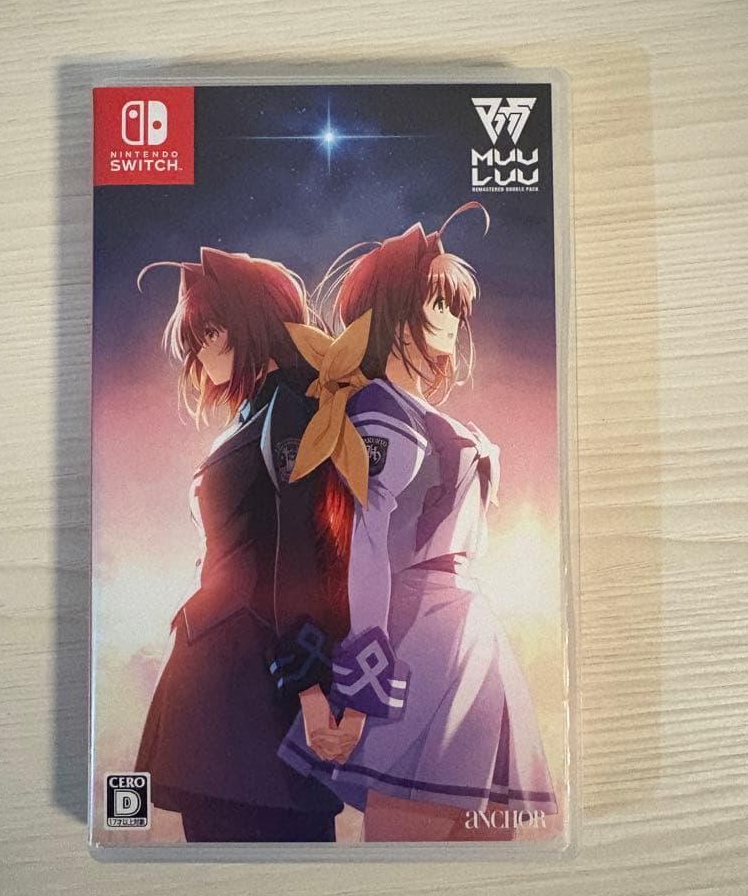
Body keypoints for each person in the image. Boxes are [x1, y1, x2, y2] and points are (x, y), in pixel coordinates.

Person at [279, 203, 558, 841]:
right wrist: (361, 694)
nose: (454, 320)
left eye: (457, 307)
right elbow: (366, 550)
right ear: (395, 313)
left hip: (466, 636)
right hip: (416, 642)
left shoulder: (408, 412)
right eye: (439, 303)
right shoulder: (382, 414)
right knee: (414, 831)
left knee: (483, 835)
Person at [134, 246, 348, 842]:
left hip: (256, 685)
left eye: (211, 331)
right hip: (225, 683)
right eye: (195, 337)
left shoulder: (291, 408)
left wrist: (310, 687)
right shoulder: (257, 412)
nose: (201, 352)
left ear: (252, 320)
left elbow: (303, 552)